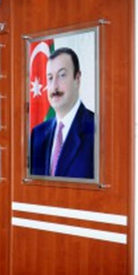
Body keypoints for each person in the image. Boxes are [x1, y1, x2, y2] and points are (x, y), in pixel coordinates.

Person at [30, 48, 96, 179]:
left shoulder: (98, 130)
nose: (54, 86)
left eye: (61, 75)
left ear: (77, 79)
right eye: (50, 78)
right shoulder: (37, 134)